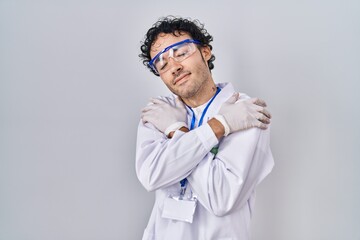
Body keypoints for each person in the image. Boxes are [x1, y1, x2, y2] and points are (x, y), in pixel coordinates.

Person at [136, 16, 274, 240]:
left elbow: (222, 198)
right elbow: (152, 176)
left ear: (205, 52)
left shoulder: (245, 112)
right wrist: (220, 126)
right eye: (162, 64)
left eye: (181, 53)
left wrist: (176, 131)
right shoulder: (159, 112)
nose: (174, 67)